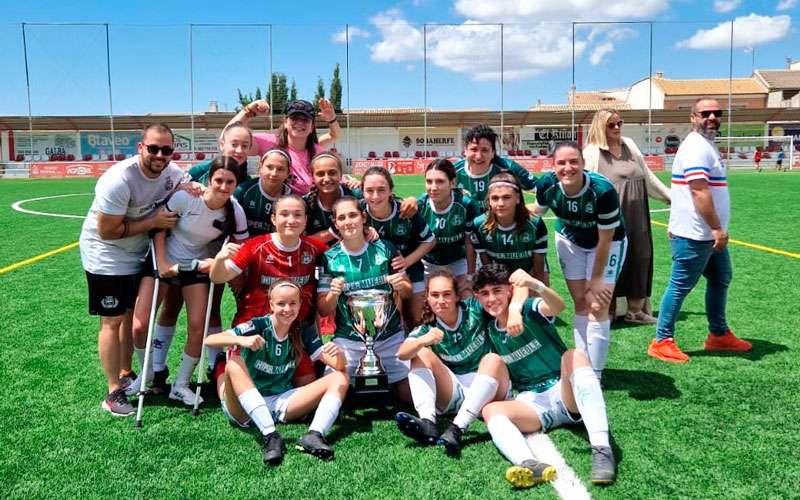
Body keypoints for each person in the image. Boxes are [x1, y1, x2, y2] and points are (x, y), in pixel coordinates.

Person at [79, 123, 187, 416]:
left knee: (129, 316)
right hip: (107, 254)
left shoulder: (173, 174)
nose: (160, 155)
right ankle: (113, 391)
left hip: (140, 252)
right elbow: (108, 231)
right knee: (112, 321)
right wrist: (153, 222)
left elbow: (195, 179)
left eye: (166, 150)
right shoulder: (119, 179)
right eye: (153, 148)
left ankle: (127, 375)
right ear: (140, 147)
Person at [475, 265, 617, 487]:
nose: (492, 299)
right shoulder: (489, 328)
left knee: (574, 356)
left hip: (564, 392)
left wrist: (535, 285)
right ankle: (528, 464)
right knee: (490, 410)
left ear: (509, 291)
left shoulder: (528, 309)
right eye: (484, 294)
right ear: (478, 297)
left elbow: (558, 306)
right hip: (532, 403)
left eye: (497, 291)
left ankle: (602, 448)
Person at [142, 121, 254, 388]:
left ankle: (211, 366)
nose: (224, 185)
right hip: (171, 258)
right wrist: (185, 188)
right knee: (168, 309)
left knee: (206, 314)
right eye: (233, 143)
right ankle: (155, 370)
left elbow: (241, 244)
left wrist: (223, 264)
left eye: (245, 145)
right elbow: (162, 223)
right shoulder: (195, 180)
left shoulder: (239, 200)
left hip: (207, 262)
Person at [649, 98, 751, 363]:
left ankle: (718, 335)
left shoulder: (707, 145)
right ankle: (662, 340)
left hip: (707, 234)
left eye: (717, 113)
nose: (712, 117)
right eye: (705, 113)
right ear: (693, 117)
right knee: (681, 285)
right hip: (695, 233)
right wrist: (717, 228)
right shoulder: (695, 147)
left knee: (721, 278)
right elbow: (698, 190)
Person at [205, 280, 348, 465]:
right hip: (244, 407)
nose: (287, 309)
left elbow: (338, 366)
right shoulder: (257, 325)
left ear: (300, 304)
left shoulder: (303, 329)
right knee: (232, 363)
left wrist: (341, 357)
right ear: (271, 304)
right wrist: (242, 340)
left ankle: (314, 435)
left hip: (281, 400)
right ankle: (271, 436)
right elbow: (210, 340)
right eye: (281, 304)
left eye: (293, 303)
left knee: (340, 377)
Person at [209, 194, 327, 387]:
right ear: (273, 219)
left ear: (306, 220)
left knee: (306, 394)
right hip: (254, 333)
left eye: (298, 215)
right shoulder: (255, 246)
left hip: (293, 335)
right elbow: (218, 277)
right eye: (284, 214)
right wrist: (220, 260)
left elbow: (344, 255)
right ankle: (223, 364)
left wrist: (367, 232)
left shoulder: (314, 248)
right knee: (241, 397)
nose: (291, 220)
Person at [534, 142, 627, 380]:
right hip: (570, 240)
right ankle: (582, 366)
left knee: (597, 304)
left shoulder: (602, 191)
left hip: (606, 243)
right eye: (561, 163)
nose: (568, 168)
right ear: (552, 166)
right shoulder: (546, 184)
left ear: (584, 164)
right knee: (580, 303)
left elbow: (606, 239)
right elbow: (537, 210)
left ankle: (595, 374)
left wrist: (596, 280)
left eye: (574, 161)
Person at [394, 269, 510, 458]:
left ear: (457, 296)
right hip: (455, 391)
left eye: (447, 294)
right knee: (419, 352)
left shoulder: (474, 309)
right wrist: (423, 341)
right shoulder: (428, 328)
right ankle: (428, 423)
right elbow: (402, 353)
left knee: (492, 359)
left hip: (491, 389)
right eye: (435, 295)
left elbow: (502, 297)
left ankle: (457, 428)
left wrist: (513, 310)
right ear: (428, 298)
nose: (441, 301)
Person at [317, 197, 413, 399]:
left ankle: (387, 384)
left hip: (390, 339)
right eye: (341, 218)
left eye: (352, 215)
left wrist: (400, 284)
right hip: (349, 342)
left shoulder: (385, 248)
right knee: (332, 392)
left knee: (408, 394)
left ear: (363, 217)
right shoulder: (330, 258)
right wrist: (334, 293)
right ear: (336, 223)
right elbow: (324, 310)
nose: (348, 221)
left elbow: (407, 292)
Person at [583, 109, 671, 324]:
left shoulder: (630, 145)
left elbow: (647, 177)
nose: (617, 128)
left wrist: (670, 196)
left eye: (619, 123)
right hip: (609, 219)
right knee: (610, 262)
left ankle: (635, 311)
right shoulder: (592, 153)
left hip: (638, 215)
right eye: (611, 125)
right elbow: (585, 187)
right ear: (600, 127)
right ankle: (607, 311)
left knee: (641, 258)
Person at [361, 166, 436, 327]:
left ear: (391, 190)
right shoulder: (358, 212)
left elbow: (430, 240)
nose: (375, 196)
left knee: (417, 320)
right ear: (362, 192)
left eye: (381, 190)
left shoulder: (405, 210)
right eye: (369, 190)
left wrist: (407, 261)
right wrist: (363, 230)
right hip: (376, 274)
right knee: (389, 323)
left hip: (411, 269)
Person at [226, 98, 341, 195]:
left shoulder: (317, 152)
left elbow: (335, 136)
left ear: (312, 127)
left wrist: (332, 119)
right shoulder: (269, 142)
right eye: (294, 118)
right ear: (285, 122)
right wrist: (249, 110)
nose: (300, 123)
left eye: (305, 120)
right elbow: (228, 137)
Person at [418, 159, 483, 297]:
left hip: (459, 262)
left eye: (440, 181)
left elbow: (469, 240)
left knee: (467, 295)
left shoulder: (466, 204)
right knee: (423, 305)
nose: (433, 187)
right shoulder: (420, 205)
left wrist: (470, 276)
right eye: (429, 181)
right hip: (428, 263)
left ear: (452, 182)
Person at [470, 171, 548, 285]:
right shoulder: (479, 225)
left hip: (529, 271)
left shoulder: (535, 224)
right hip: (497, 273)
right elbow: (485, 262)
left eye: (506, 197)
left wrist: (537, 287)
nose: (500, 203)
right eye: (495, 198)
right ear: (489, 201)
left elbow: (539, 266)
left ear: (517, 198)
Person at [454, 124, 537, 201]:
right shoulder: (451, 171)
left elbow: (542, 188)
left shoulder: (508, 167)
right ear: (465, 151)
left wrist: (535, 209)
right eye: (474, 149)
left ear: (493, 152)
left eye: (484, 150)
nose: (478, 156)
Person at [304, 153, 363, 244]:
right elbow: (301, 242)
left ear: (341, 174)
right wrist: (333, 232)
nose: (327, 179)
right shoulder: (304, 203)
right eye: (320, 174)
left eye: (332, 173)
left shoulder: (356, 195)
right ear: (312, 177)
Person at [235, 149, 294, 236]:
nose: (274, 173)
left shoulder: (292, 198)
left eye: (280, 169)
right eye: (269, 167)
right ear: (260, 168)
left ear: (288, 173)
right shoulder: (243, 191)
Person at [186, 121, 252, 184]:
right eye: (234, 144)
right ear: (222, 145)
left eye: (244, 146)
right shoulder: (199, 171)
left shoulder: (248, 183)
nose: (239, 150)